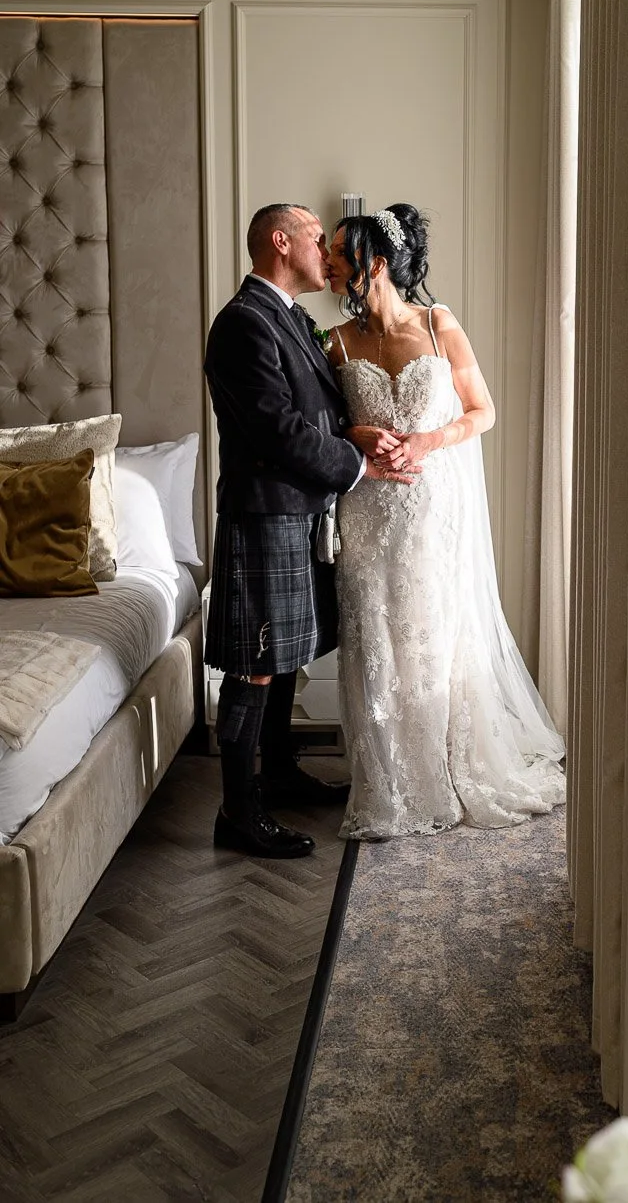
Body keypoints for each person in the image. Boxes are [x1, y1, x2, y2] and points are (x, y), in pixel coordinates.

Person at [326, 203, 566, 840]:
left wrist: (429, 441)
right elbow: (323, 430)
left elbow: (482, 410)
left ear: (376, 263)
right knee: (375, 638)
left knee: (433, 634)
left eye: (340, 254)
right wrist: (358, 434)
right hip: (368, 511)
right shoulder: (336, 342)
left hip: (431, 508)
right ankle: (389, 785)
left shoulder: (439, 325)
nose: (328, 264)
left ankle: (448, 769)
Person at [203, 203, 414, 858]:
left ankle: (280, 774)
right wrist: (360, 464)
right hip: (264, 513)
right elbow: (278, 429)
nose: (327, 251)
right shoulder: (243, 322)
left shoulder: (290, 317)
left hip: (298, 510)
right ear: (280, 242)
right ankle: (238, 813)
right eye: (317, 239)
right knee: (255, 664)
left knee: (282, 655)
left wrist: (358, 432)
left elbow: (315, 409)